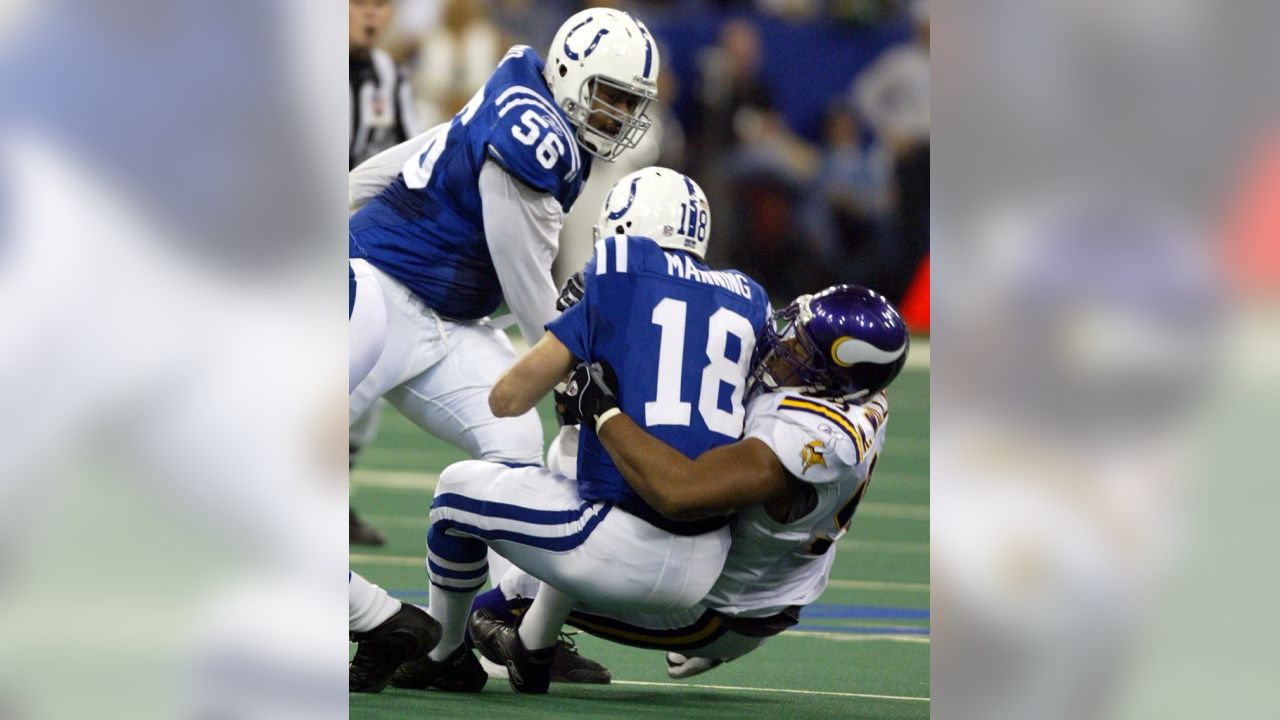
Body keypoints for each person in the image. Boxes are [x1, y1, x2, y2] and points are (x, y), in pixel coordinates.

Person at [347, 7, 662, 692]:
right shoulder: (534, 137)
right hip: (382, 292)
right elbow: (529, 293)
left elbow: (427, 146)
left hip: (451, 320)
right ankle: (369, 616)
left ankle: (464, 642)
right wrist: (582, 368)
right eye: (609, 94)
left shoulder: (525, 86)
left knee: (516, 456)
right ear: (573, 76)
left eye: (629, 103)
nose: (617, 113)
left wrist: (348, 189)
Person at [393, 167, 771, 694]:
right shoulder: (749, 298)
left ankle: (443, 654)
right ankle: (534, 645)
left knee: (458, 489)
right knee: (590, 454)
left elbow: (508, 399)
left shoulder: (618, 270)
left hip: (621, 553)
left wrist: (579, 350)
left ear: (623, 223)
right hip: (708, 571)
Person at [470, 285, 909, 678]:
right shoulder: (855, 393)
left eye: (801, 351)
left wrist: (601, 410)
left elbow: (679, 493)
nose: (782, 343)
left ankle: (520, 635)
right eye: (792, 330)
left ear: (833, 381)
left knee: (572, 500)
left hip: (721, 611)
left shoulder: (810, 438)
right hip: (775, 582)